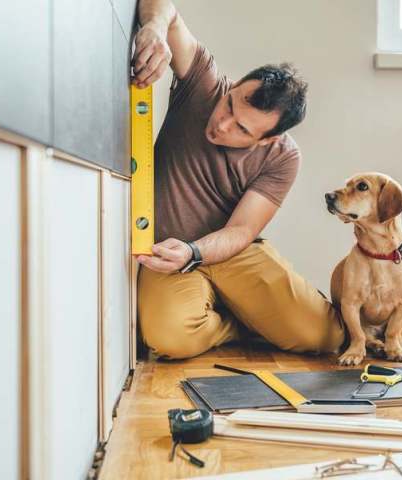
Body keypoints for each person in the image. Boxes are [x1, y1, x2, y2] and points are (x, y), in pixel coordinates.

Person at [132, 0, 344, 359]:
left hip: (230, 250)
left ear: (267, 139)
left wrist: (195, 251)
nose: (222, 124)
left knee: (324, 336)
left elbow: (242, 231)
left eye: (242, 129)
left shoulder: (283, 157)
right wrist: (153, 28)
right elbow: (163, 6)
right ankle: (238, 323)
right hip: (167, 251)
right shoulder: (204, 84)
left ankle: (253, 313)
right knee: (170, 340)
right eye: (230, 104)